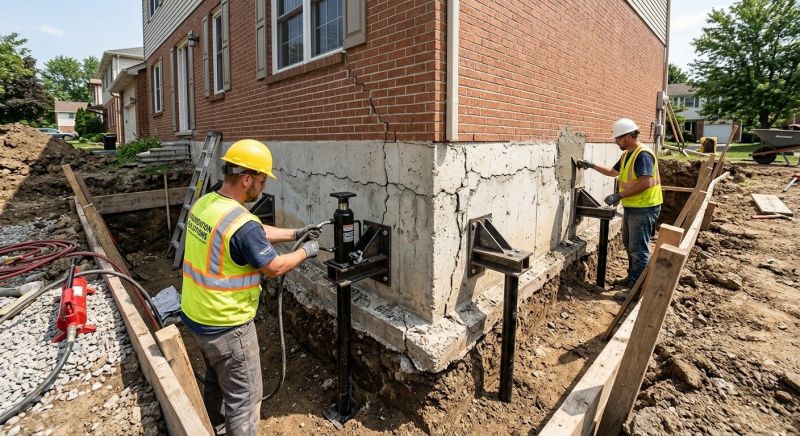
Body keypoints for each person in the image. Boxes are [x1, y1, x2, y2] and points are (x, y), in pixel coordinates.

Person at [180, 139, 321, 435]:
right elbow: (273, 267)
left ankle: (217, 429)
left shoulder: (207, 203)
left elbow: (254, 231)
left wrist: (295, 232)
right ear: (246, 178)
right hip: (227, 326)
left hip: (196, 316)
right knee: (244, 400)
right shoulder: (241, 223)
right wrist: (306, 250)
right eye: (260, 180)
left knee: (216, 381)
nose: (263, 186)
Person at [576, 118, 663, 295]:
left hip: (645, 208)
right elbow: (612, 172)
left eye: (618, 138)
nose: (616, 142)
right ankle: (632, 277)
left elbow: (645, 183)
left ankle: (635, 290)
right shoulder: (627, 155)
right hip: (633, 206)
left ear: (629, 137)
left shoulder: (643, 155)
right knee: (629, 244)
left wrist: (619, 195)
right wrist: (591, 165)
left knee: (639, 250)